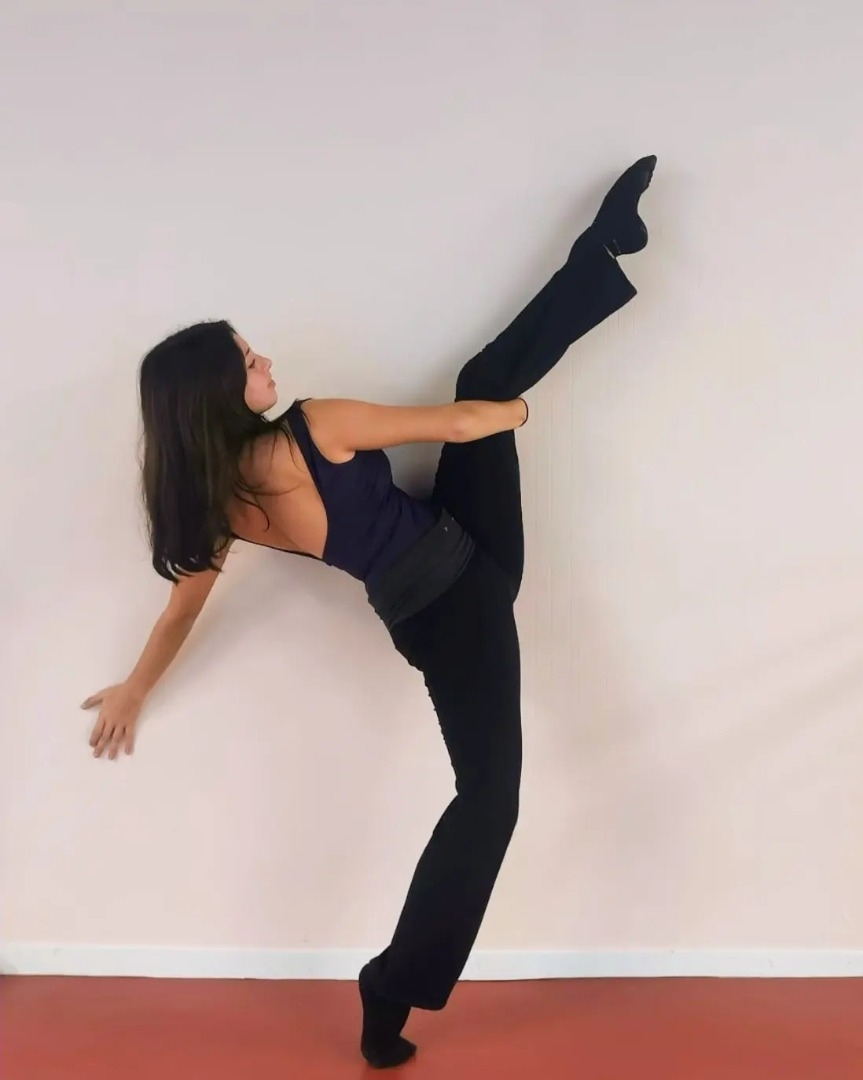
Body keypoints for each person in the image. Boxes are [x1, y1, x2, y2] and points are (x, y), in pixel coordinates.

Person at [82, 156, 657, 1069]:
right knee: (489, 799)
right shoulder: (317, 423)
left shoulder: (218, 505)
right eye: (248, 360)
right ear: (219, 392)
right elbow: (458, 425)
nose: (265, 361)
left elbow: (179, 613)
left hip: (428, 599)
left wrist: (134, 687)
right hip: (467, 594)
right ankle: (390, 985)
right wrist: (516, 417)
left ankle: (603, 248)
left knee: (478, 371)